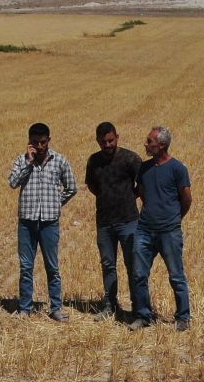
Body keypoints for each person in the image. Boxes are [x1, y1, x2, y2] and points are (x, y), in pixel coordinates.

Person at [7, 122, 77, 321]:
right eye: (35, 142)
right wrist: (28, 163)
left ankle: (56, 307)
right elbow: (13, 183)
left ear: (49, 141)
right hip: (27, 222)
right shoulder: (22, 161)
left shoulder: (60, 161)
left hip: (49, 222)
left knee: (52, 267)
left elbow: (72, 187)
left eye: (43, 142)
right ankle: (25, 308)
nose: (39, 146)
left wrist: (56, 203)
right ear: (29, 142)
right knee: (26, 267)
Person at [129, 126, 194, 331]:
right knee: (138, 275)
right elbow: (142, 193)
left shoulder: (178, 169)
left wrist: (174, 219)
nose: (146, 145)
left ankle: (183, 317)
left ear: (162, 145)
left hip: (169, 232)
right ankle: (143, 315)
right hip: (144, 230)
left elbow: (186, 199)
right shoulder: (144, 168)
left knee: (176, 276)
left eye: (149, 142)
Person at [83, 122, 142, 320]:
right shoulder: (94, 161)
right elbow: (91, 185)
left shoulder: (130, 158)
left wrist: (128, 197)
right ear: (97, 141)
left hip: (128, 221)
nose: (107, 145)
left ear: (117, 137)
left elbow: (142, 184)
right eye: (103, 142)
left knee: (132, 265)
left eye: (110, 140)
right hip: (104, 222)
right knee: (108, 265)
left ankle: (138, 307)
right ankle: (110, 304)